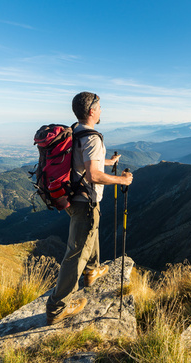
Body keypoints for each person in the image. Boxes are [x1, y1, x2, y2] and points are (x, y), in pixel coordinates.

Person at [46, 91, 133, 325]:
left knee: (89, 235)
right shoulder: (92, 137)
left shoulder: (75, 131)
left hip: (72, 198)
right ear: (92, 111)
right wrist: (122, 180)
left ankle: (92, 270)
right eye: (100, 107)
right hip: (85, 201)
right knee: (75, 253)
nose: (102, 110)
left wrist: (109, 162)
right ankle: (57, 307)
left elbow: (83, 162)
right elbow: (93, 175)